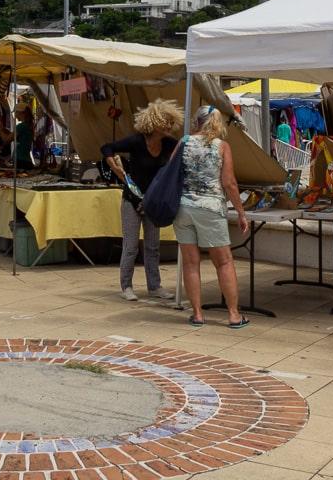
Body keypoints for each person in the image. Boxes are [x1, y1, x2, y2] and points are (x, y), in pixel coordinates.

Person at [101, 98, 183, 302]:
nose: (169, 126)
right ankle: (126, 286)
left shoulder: (170, 144)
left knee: (153, 245)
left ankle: (154, 286)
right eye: (165, 121)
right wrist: (115, 167)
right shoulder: (137, 141)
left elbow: (183, 156)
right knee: (130, 245)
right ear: (154, 122)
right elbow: (107, 148)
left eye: (171, 122)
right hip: (132, 198)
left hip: (153, 202)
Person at [176, 105, 250, 329]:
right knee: (224, 261)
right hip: (210, 208)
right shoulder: (222, 147)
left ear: (196, 121)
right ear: (216, 123)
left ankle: (197, 314)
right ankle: (234, 314)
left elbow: (171, 171)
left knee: (190, 262)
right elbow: (229, 183)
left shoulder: (184, 142)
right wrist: (240, 211)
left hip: (183, 207)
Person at [0, 102, 35, 170]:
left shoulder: (21, 126)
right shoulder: (28, 126)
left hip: (21, 161)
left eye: (16, 112)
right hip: (25, 160)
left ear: (21, 113)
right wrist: (4, 130)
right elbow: (14, 135)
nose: (15, 115)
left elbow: (6, 140)